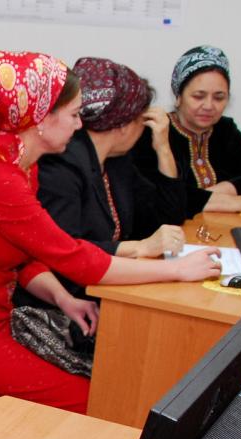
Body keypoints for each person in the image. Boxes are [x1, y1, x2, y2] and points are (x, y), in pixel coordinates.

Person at [0, 51, 220, 415]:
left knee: (109, 381)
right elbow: (77, 260)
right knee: (97, 400)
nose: (80, 126)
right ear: (41, 120)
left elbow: (25, 257)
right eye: (74, 115)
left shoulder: (17, 163)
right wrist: (177, 269)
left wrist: (64, 300)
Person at [17, 56, 187, 307]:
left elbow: (169, 214)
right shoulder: (59, 167)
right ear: (123, 125)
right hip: (64, 304)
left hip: (99, 290)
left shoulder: (116, 161)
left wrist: (163, 148)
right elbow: (62, 254)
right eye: (142, 119)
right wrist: (138, 247)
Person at [131, 45, 241, 217]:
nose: (209, 106)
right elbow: (160, 197)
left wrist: (212, 193)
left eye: (219, 97)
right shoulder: (153, 131)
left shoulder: (224, 129)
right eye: (198, 96)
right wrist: (236, 202)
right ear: (178, 97)